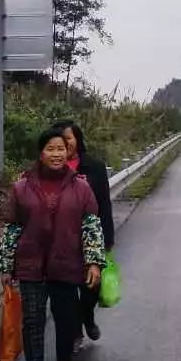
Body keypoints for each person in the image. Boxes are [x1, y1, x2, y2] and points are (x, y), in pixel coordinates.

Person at [0, 128, 106, 361]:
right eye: (50, 149)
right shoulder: (22, 187)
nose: (56, 154)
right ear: (40, 153)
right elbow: (12, 228)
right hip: (31, 264)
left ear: (67, 151)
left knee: (66, 317)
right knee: (32, 321)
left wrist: (94, 262)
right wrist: (6, 265)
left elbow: (91, 225)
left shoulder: (80, 186)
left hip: (67, 262)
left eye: (61, 149)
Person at [54, 119, 115, 344]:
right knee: (67, 292)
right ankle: (75, 333)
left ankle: (87, 317)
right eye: (60, 140)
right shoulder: (50, 168)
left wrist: (108, 238)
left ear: (77, 140)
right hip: (61, 242)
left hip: (91, 238)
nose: (64, 144)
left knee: (91, 287)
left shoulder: (94, 168)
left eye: (68, 139)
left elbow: (104, 204)